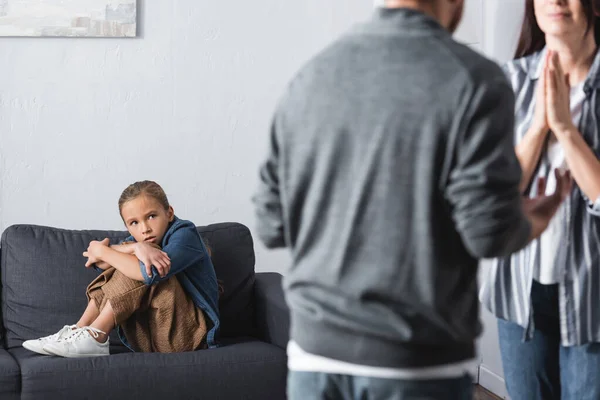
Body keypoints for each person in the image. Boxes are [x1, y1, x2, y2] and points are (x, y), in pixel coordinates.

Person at [253, 0, 571, 398]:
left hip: (315, 357)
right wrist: (539, 214)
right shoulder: (475, 79)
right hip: (417, 363)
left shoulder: (314, 74)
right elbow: (488, 235)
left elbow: (270, 222)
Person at [479, 0, 600, 399]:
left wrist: (566, 129)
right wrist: (537, 129)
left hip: (591, 301)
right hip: (519, 291)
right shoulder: (507, 83)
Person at [22, 180, 220, 358]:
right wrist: (134, 247)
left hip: (189, 336)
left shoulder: (185, 234)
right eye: (134, 223)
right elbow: (101, 263)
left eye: (151, 216)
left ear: (169, 213)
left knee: (148, 259)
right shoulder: (138, 242)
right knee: (129, 259)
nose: (144, 229)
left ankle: (95, 335)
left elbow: (143, 271)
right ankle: (78, 329)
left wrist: (103, 250)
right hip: (150, 335)